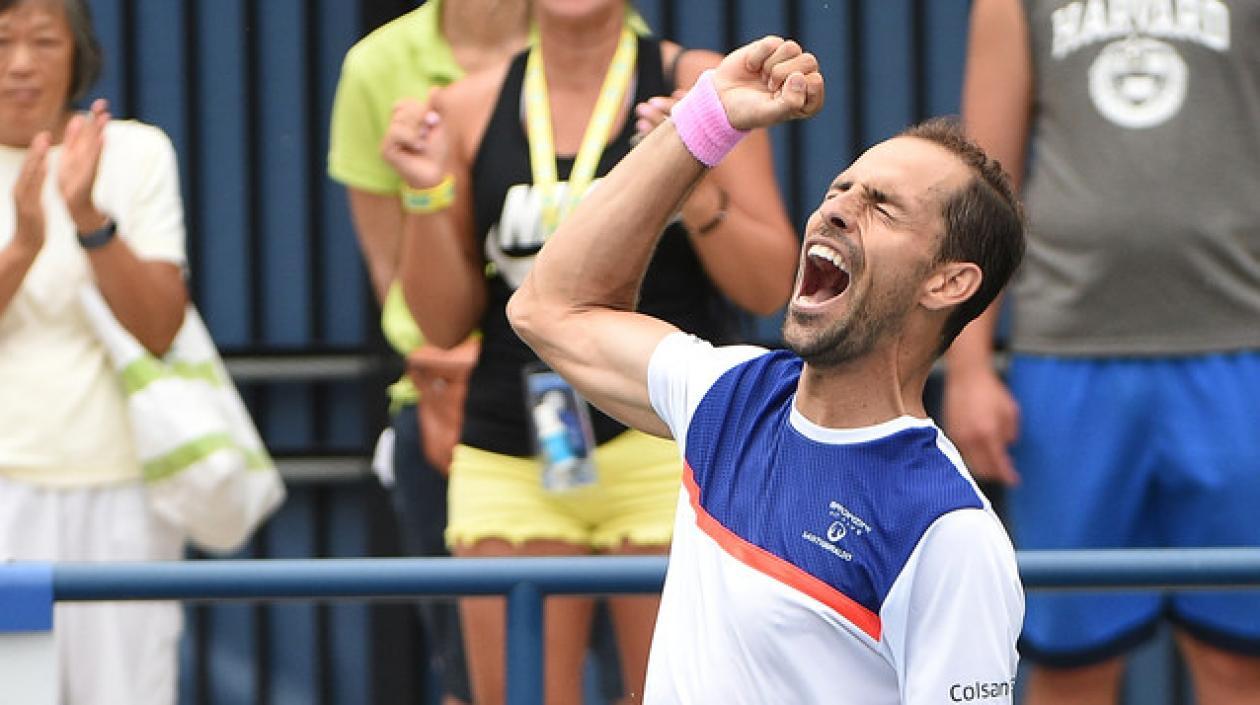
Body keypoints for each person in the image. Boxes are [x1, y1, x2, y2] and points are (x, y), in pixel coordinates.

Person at [504, 36, 1028, 703]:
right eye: (840, 188)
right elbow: (549, 308)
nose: (835, 209)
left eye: (881, 206)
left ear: (949, 282)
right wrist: (706, 119)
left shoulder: (949, 531)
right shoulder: (729, 394)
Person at [380, 1, 800, 702]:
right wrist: (425, 194)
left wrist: (694, 186)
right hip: (513, 447)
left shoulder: (700, 84)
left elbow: (766, 287)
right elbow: (441, 324)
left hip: (666, 438)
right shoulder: (465, 106)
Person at [944, 1, 1260, 703]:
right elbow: (983, 181)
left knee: (1240, 660)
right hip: (1068, 357)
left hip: (1240, 349)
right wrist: (968, 366)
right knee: (1071, 661)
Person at [327, 2, 531, 702]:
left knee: (648, 671)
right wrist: (454, 358)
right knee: (474, 677)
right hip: (450, 396)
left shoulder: (599, 34)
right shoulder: (375, 66)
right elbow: (392, 275)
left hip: (597, 387)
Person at [0, 1, 189, 703]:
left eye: (45, 41)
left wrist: (88, 220)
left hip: (124, 489)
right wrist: (23, 245)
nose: (21, 64)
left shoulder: (135, 152)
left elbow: (160, 326)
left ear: (79, 53)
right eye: (2, 41)